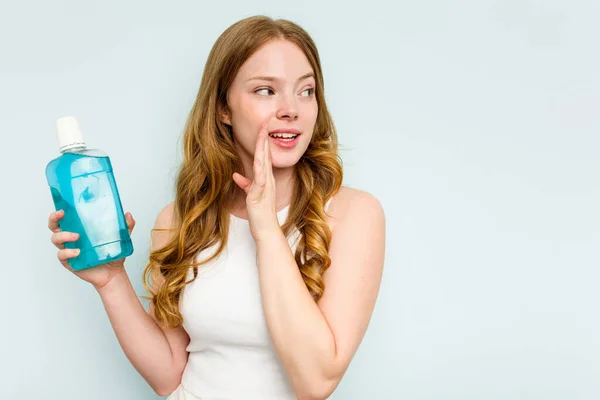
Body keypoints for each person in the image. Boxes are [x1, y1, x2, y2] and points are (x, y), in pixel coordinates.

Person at [47, 15, 385, 400]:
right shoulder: (178, 219)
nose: (291, 109)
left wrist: (265, 230)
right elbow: (169, 375)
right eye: (265, 91)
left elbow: (316, 383)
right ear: (223, 108)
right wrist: (111, 281)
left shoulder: (353, 215)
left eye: (306, 91)